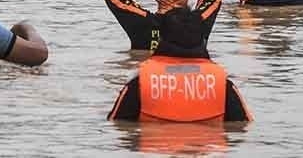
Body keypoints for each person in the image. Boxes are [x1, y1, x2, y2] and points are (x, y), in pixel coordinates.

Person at [107, 7, 253, 122]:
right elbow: (242, 127)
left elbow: (117, 125)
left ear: (161, 40)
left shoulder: (139, 83)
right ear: (202, 40)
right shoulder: (223, 84)